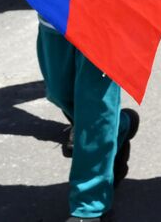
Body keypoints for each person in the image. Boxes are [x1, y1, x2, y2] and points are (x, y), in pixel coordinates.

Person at [36, 22, 140, 222]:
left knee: (94, 107)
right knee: (59, 91)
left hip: (103, 13)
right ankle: (116, 128)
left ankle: (89, 205)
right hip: (53, 8)